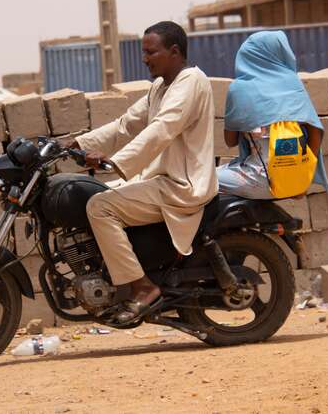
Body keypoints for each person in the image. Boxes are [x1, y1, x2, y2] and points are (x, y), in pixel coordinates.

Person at [70, 21, 218, 324]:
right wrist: (73, 142)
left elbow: (162, 129)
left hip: (182, 184)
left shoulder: (191, 82)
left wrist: (114, 162)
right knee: (97, 194)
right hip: (160, 177)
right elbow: (125, 124)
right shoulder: (161, 87)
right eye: (144, 52)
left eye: (151, 52)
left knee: (99, 207)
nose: (144, 58)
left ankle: (143, 287)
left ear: (174, 51)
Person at [217, 31, 328, 199]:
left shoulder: (239, 88)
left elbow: (230, 141)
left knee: (199, 181)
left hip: (259, 179)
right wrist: (303, 175)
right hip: (296, 182)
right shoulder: (293, 84)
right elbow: (316, 131)